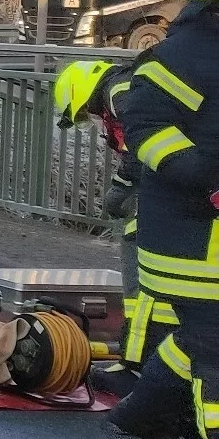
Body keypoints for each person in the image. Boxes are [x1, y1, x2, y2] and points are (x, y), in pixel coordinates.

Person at [112, 0, 219, 439]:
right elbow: (146, 128)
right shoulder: (180, 57)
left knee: (198, 336)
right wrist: (203, 174)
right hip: (191, 244)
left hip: (202, 240)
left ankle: (144, 414)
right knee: (216, 344)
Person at [54, 59, 170, 397]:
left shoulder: (119, 91)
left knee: (138, 268)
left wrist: (119, 188)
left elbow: (140, 144)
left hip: (156, 194)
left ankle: (134, 365)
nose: (92, 119)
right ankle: (140, 358)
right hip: (162, 191)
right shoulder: (126, 87)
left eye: (86, 112)